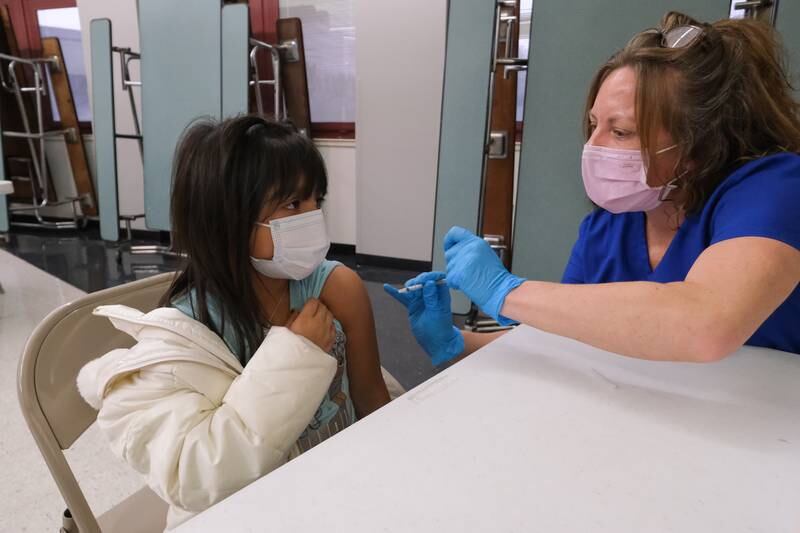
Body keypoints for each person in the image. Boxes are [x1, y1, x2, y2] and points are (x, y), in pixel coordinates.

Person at [387, 12, 800, 364]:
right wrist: (457, 343)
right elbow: (566, 340)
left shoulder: (773, 189)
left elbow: (705, 325)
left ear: (702, 141)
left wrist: (505, 291)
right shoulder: (608, 227)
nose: (593, 146)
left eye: (620, 131)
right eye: (593, 125)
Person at [78, 116, 390, 529]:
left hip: (343, 495)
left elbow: (372, 404)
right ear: (226, 219)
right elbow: (196, 476)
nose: (313, 217)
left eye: (318, 200)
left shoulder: (337, 288)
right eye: (293, 205)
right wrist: (298, 354)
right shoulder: (183, 343)